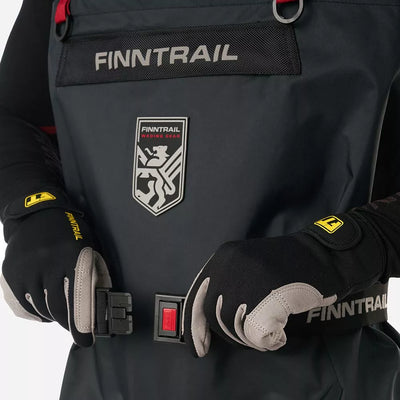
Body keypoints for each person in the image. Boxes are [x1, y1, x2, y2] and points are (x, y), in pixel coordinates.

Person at [1, 0, 400, 398]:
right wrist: (35, 210)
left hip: (318, 378)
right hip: (103, 381)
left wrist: (336, 250)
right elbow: (14, 117)